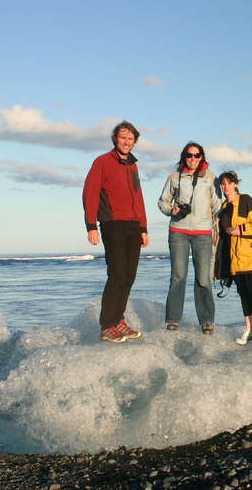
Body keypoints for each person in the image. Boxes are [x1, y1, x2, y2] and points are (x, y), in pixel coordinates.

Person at [83, 120, 149, 343]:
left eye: (130, 139)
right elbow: (90, 193)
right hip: (112, 224)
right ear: (115, 139)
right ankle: (107, 326)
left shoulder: (132, 165)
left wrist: (144, 227)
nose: (126, 142)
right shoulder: (102, 162)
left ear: (134, 142)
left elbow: (138, 197)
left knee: (129, 277)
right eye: (123, 138)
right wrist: (91, 225)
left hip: (133, 226)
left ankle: (119, 321)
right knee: (117, 274)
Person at [158, 142, 221, 333]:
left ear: (202, 157)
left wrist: (216, 232)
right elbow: (162, 201)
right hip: (178, 231)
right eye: (189, 155)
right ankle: (173, 320)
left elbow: (217, 207)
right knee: (178, 277)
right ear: (183, 157)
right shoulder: (174, 177)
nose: (192, 159)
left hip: (203, 233)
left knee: (203, 278)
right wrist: (172, 210)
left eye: (196, 155)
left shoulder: (212, 179)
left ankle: (207, 321)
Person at [214, 171, 252, 346]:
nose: (225, 187)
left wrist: (242, 230)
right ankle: (248, 329)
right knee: (244, 295)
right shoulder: (224, 207)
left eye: (228, 183)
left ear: (235, 184)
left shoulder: (246, 200)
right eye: (222, 184)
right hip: (235, 260)